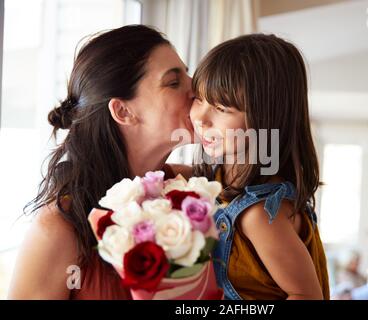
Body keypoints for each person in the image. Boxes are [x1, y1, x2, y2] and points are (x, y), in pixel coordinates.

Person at [8, 25, 195, 299]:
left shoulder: (193, 190)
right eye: (173, 82)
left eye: (187, 75)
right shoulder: (59, 230)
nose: (196, 88)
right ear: (123, 110)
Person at [189, 34, 330, 300]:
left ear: (263, 118)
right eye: (198, 98)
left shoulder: (261, 216)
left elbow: (307, 296)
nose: (200, 118)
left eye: (221, 107)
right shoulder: (217, 178)